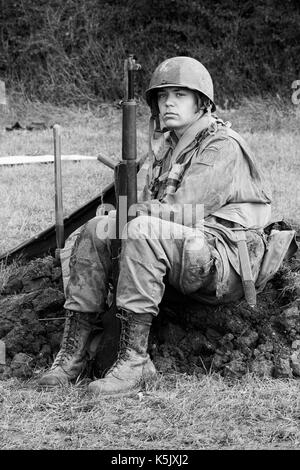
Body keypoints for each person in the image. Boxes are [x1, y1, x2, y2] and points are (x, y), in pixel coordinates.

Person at [38, 56, 295, 396]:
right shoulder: (169, 149)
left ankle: (135, 362)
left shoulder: (221, 146)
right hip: (184, 249)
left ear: (201, 103)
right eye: (163, 96)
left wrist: (133, 213)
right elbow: (150, 211)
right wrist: (117, 219)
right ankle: (73, 352)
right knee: (96, 228)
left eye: (180, 95)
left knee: (139, 228)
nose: (169, 102)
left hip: (224, 258)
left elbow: (182, 212)